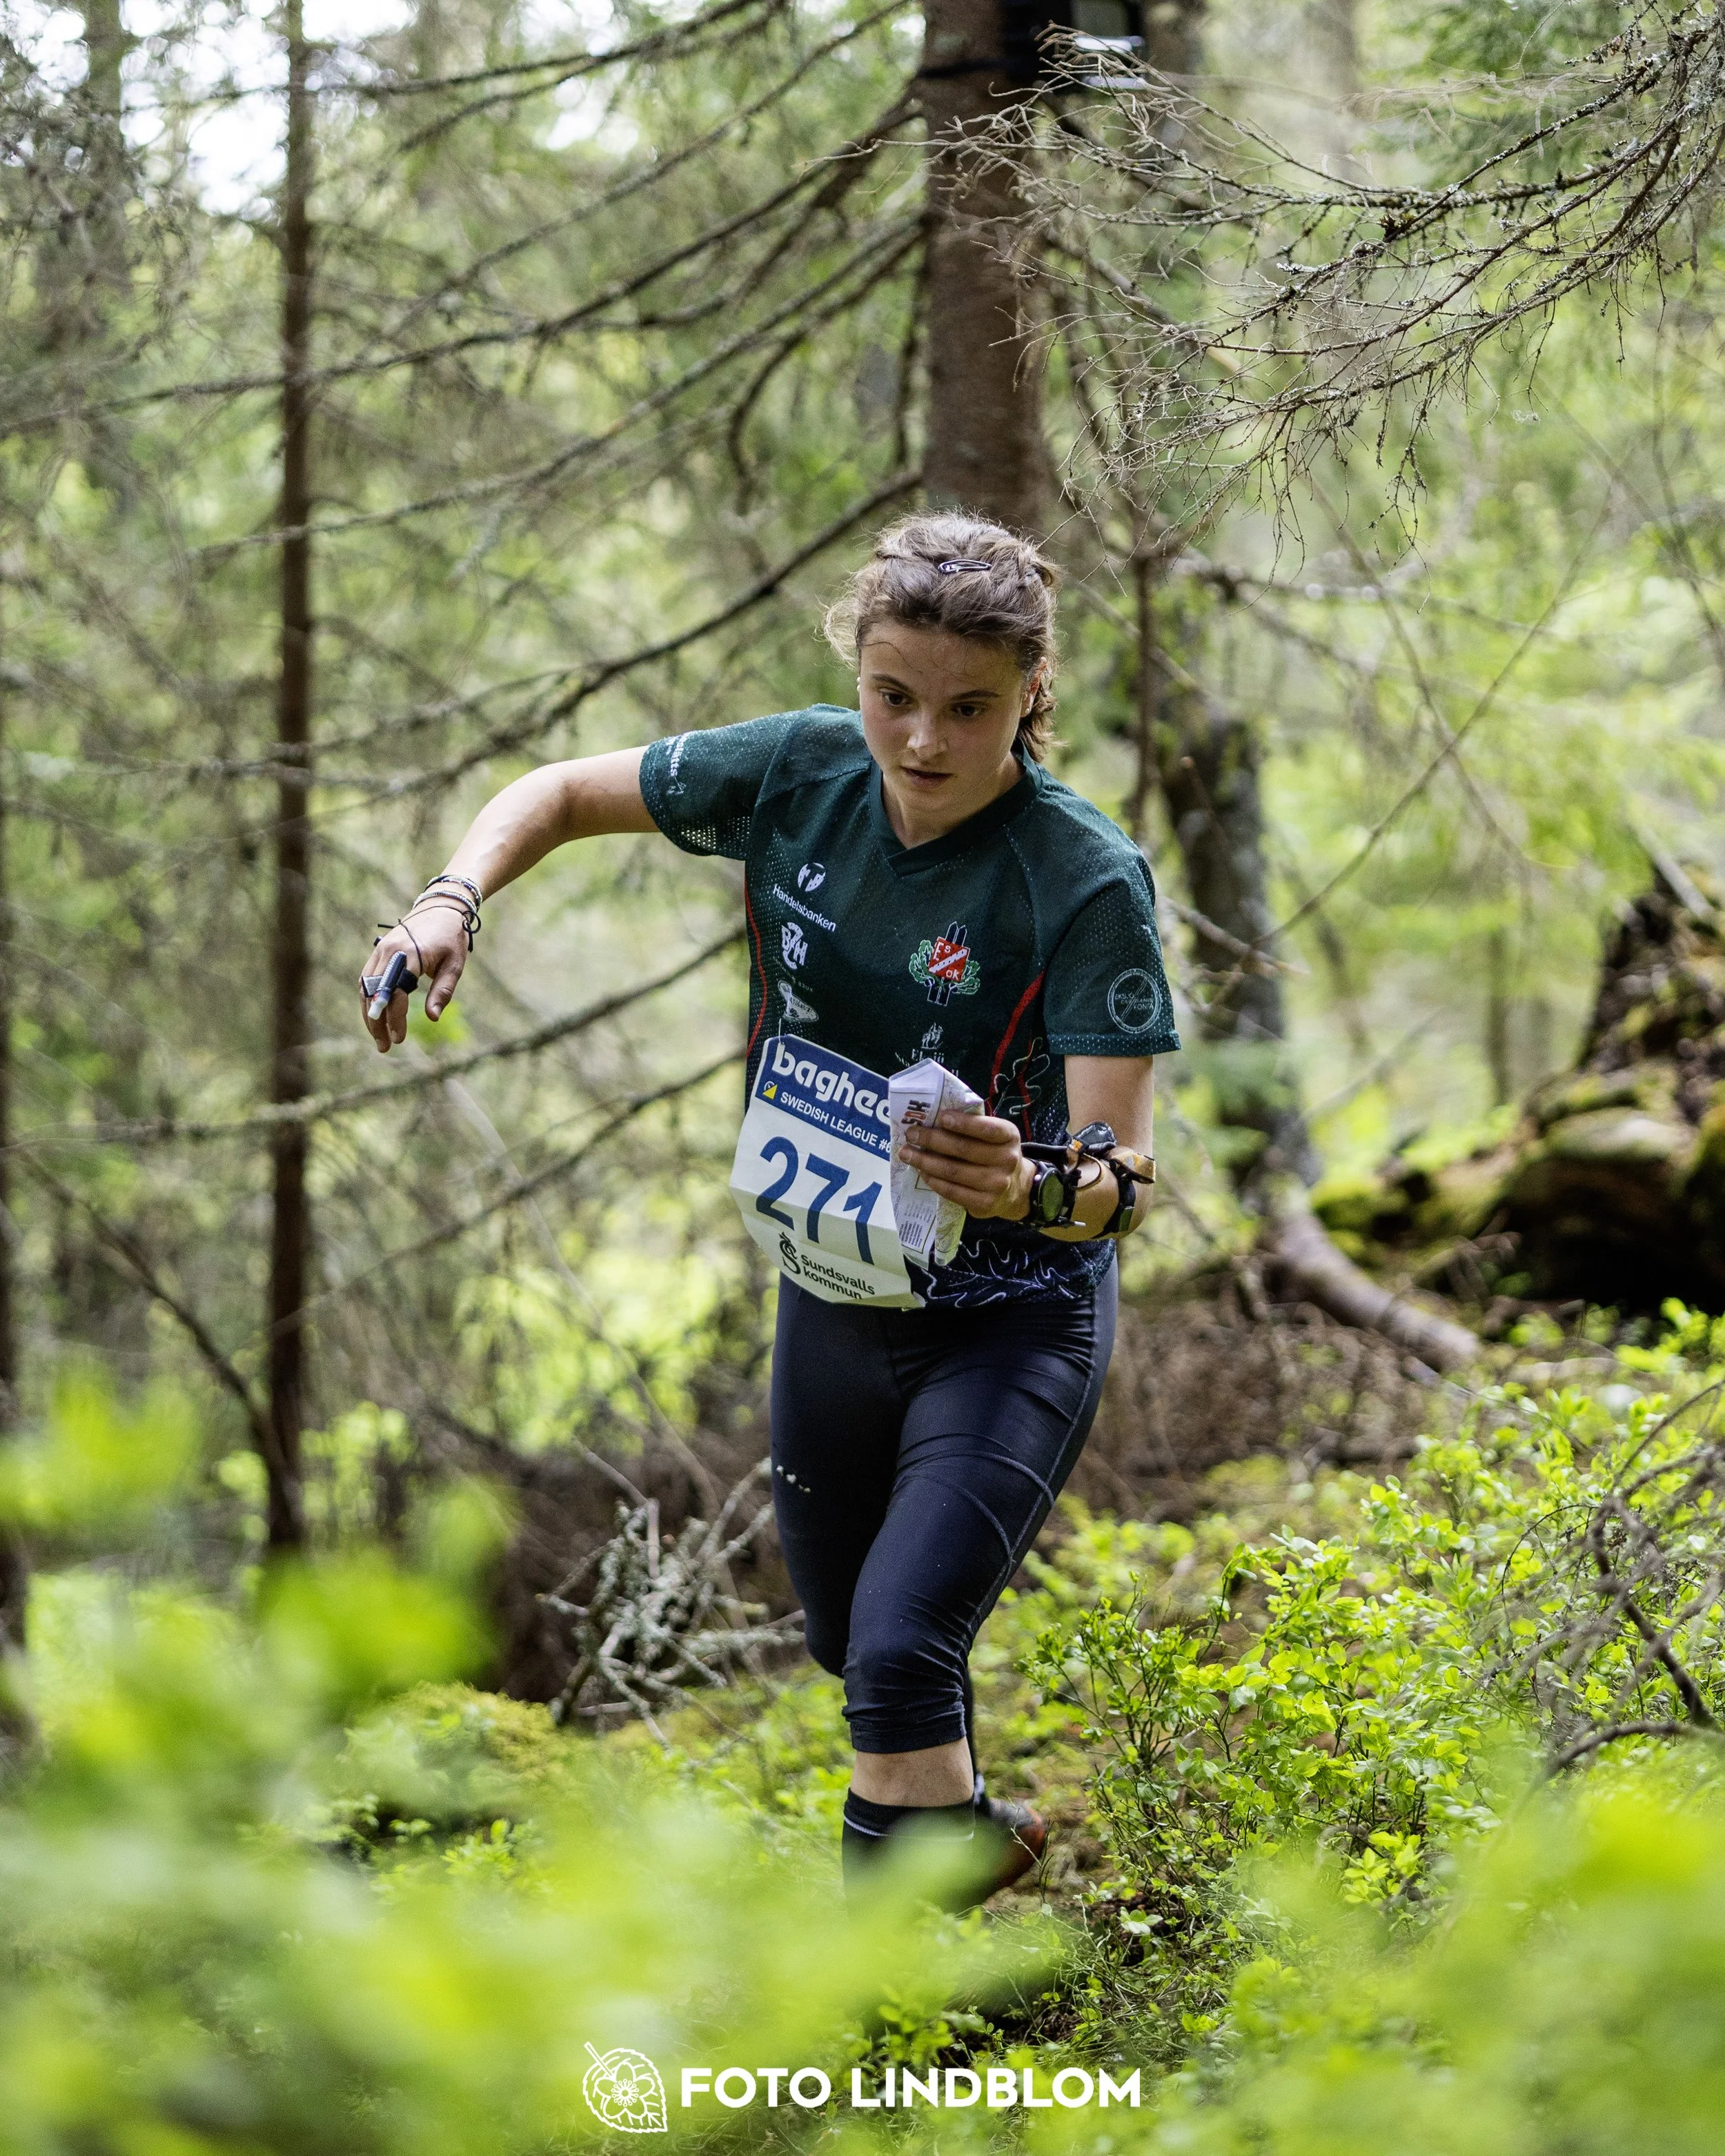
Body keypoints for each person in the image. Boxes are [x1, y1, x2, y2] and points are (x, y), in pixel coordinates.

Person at [360, 512, 1181, 1903]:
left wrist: (1033, 1180)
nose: (922, 740)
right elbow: (556, 792)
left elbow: (1120, 1182)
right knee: (845, 1638)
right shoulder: (800, 771)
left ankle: (883, 2012)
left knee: (900, 1648)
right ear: (854, 672)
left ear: (1031, 693)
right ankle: (958, 1831)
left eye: (968, 708)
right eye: (893, 696)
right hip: (832, 1287)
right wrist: (450, 900)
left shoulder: (1081, 875)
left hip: (1008, 1315)